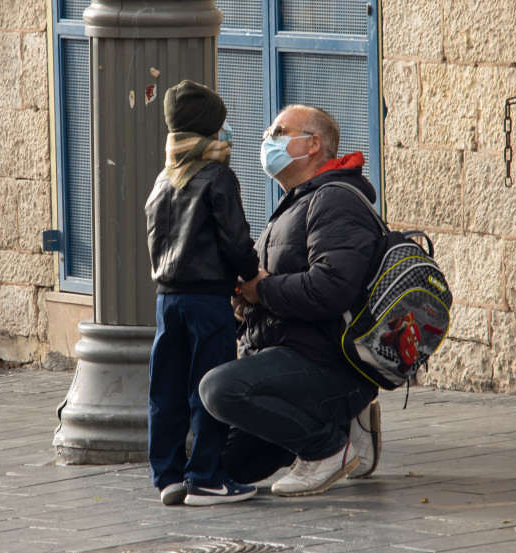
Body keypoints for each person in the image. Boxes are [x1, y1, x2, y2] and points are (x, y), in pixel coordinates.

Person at [198, 104, 383, 497]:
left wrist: (261, 289)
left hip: (327, 364)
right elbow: (278, 284)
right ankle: (344, 425)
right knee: (222, 463)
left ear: (313, 144)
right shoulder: (295, 202)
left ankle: (327, 448)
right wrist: (247, 302)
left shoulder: (336, 200)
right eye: (267, 134)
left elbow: (330, 289)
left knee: (220, 390)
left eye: (278, 133)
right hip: (282, 359)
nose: (267, 141)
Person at [143, 80, 261, 506]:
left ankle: (168, 477)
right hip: (208, 300)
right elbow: (234, 238)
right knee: (206, 387)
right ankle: (207, 476)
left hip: (166, 299)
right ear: (211, 130)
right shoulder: (218, 176)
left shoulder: (163, 179)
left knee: (166, 389)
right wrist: (252, 274)